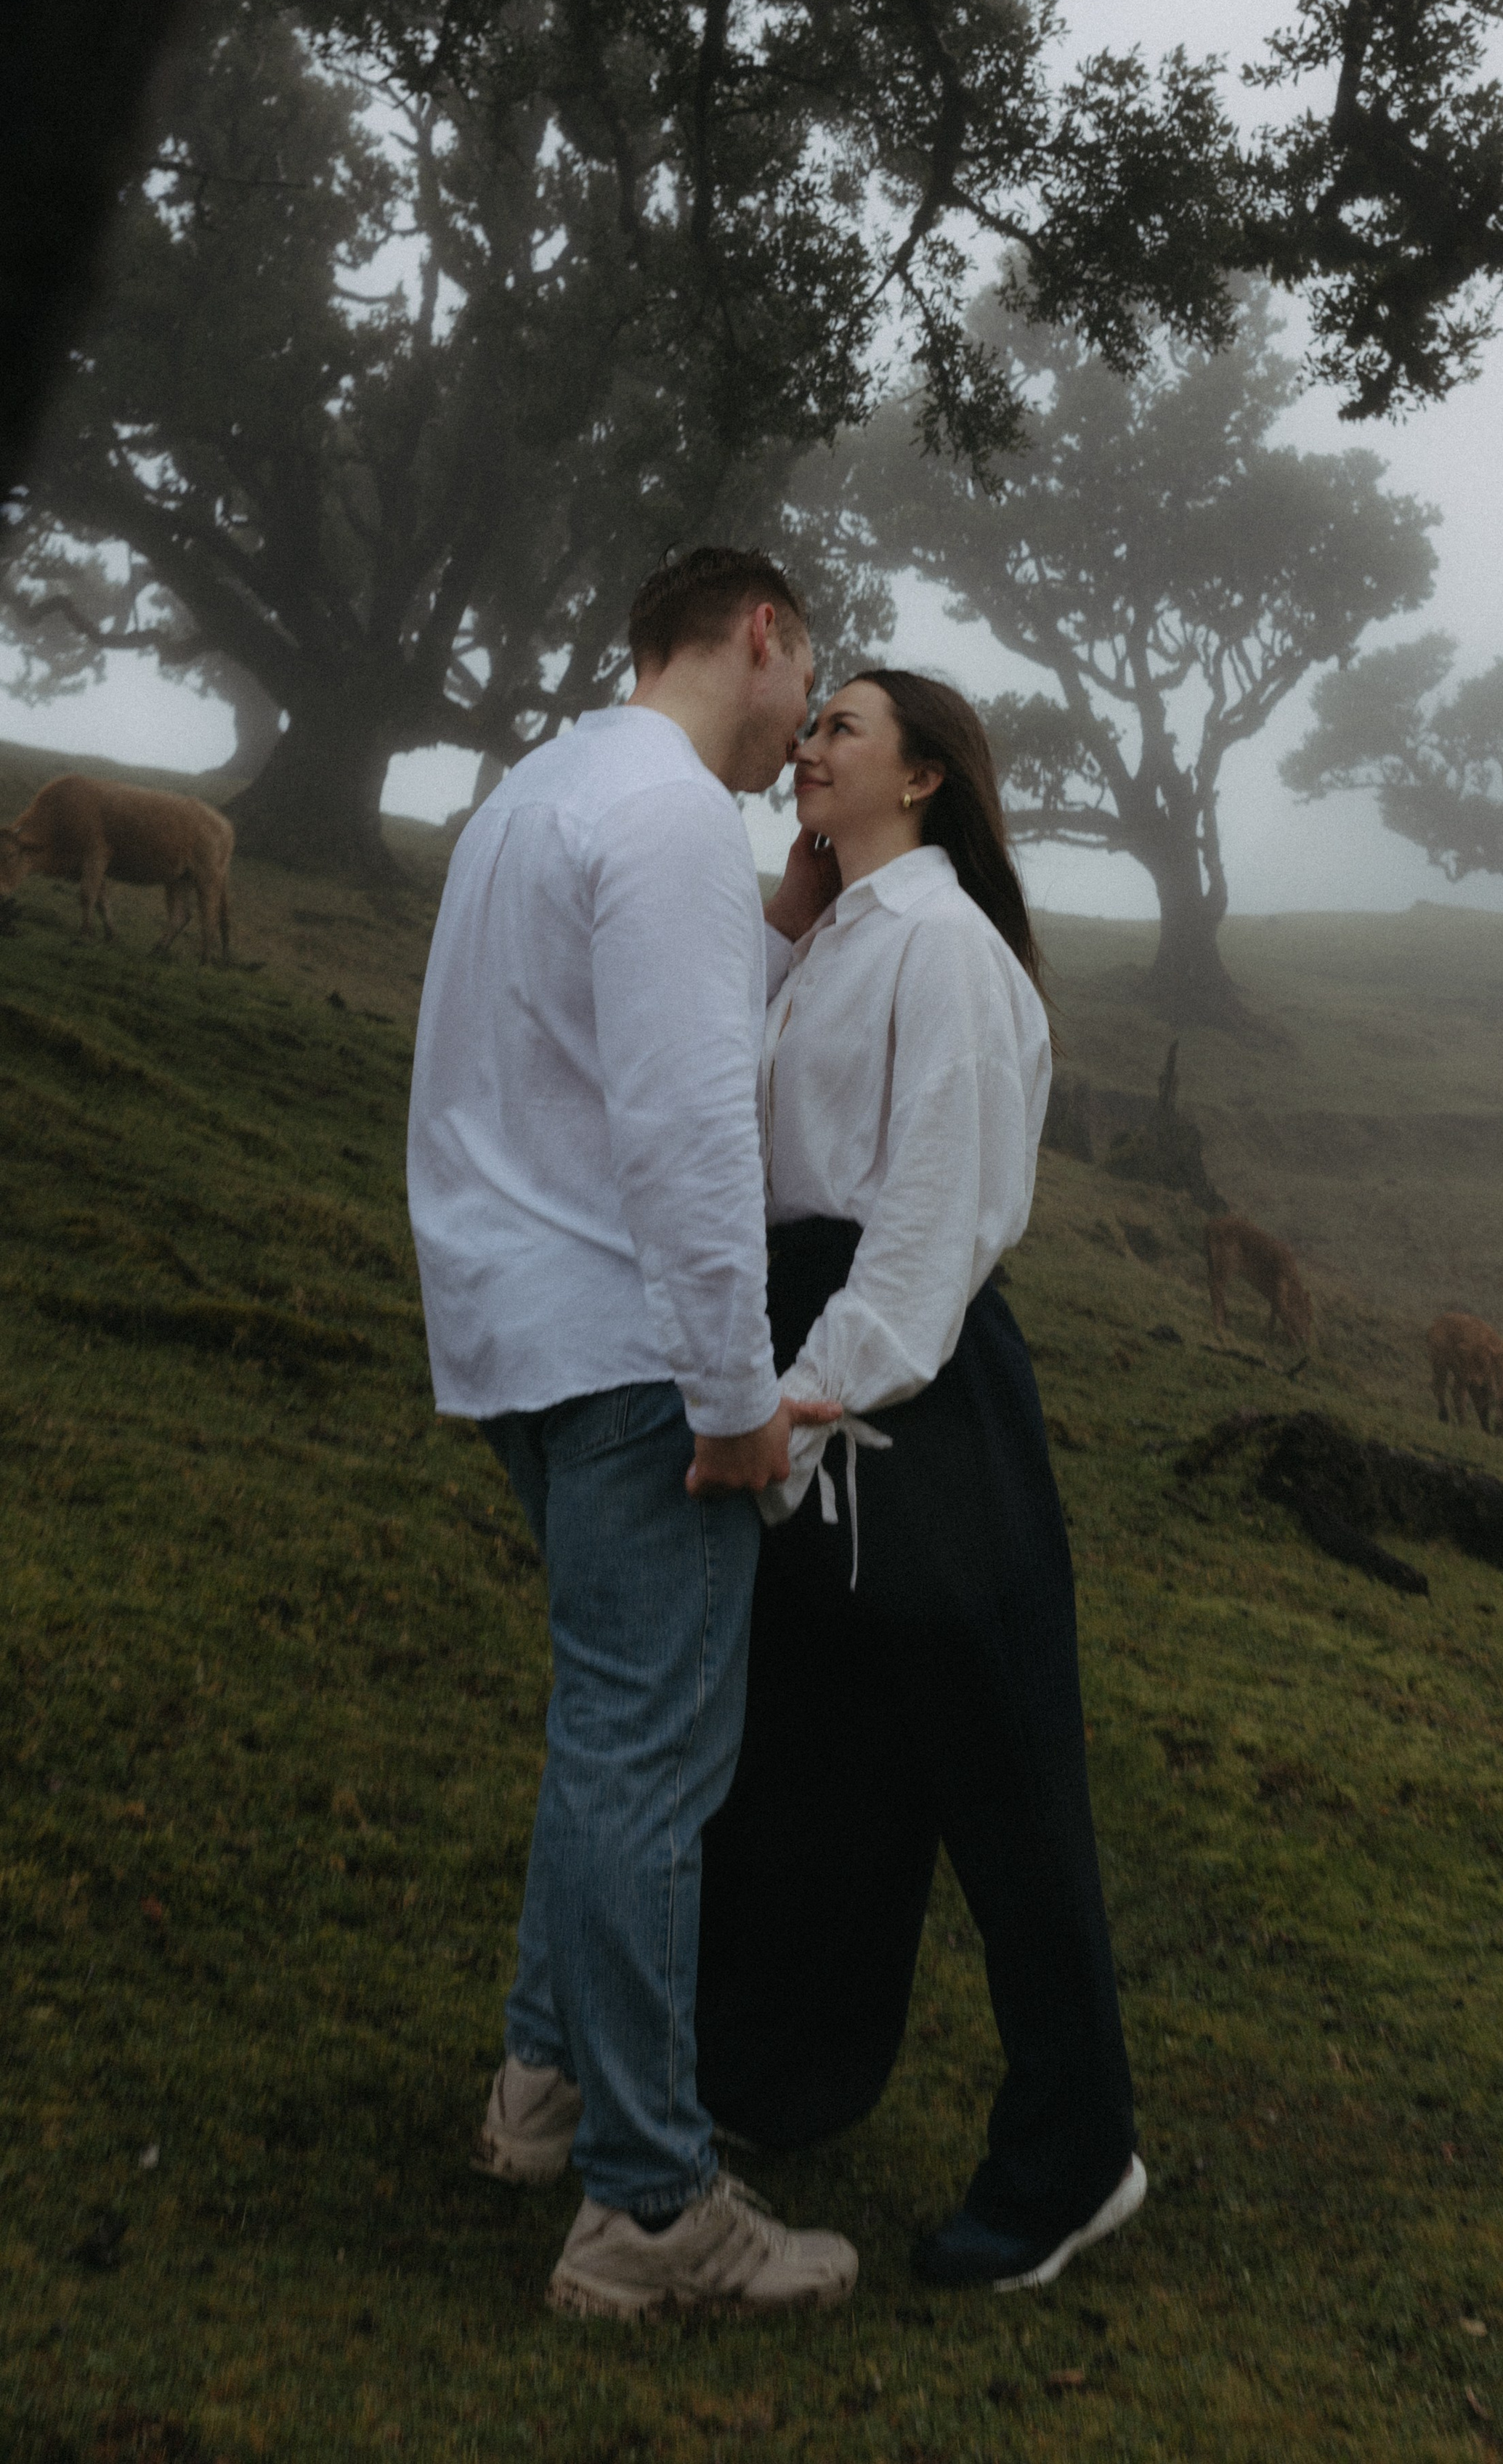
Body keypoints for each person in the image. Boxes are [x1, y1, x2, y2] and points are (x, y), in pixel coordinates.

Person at [405, 547, 858, 2322]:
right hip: (634, 1359)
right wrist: (735, 1399)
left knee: (603, 1737)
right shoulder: (671, 816)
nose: (803, 726)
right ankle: (647, 2208)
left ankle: (544, 2088)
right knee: (652, 1762)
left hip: (517, 1333)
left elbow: (561, 1055)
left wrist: (770, 933)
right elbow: (681, 1128)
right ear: (759, 633)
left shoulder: (538, 791)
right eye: (803, 676)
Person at [694, 670, 1144, 2290]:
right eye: (804, 725)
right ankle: (769, 2080)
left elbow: (932, 1223)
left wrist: (798, 1404)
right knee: (816, 1753)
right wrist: (789, 913)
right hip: (814, 1365)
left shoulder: (947, 951)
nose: (806, 745)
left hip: (917, 1399)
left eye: (844, 730)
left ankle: (1072, 2157)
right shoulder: (839, 935)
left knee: (1000, 1783)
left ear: (929, 779)